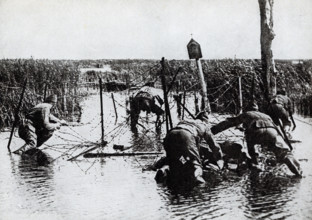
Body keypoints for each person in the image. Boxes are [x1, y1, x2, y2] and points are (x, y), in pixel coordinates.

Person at [211, 103, 302, 177]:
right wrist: (284, 142)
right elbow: (277, 129)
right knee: (281, 151)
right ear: (257, 109)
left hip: (256, 130)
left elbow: (229, 123)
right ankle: (296, 170)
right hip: (272, 131)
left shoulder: (247, 114)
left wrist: (212, 131)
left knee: (250, 146)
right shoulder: (266, 115)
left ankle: (255, 164)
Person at [163, 111, 223, 184]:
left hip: (170, 135)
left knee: (173, 161)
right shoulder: (204, 125)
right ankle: (198, 178)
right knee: (196, 164)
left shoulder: (185, 121)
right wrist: (219, 158)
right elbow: (213, 145)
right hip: (186, 135)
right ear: (205, 120)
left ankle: (163, 171)